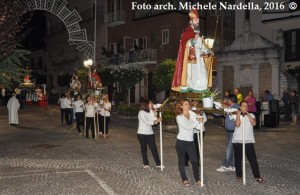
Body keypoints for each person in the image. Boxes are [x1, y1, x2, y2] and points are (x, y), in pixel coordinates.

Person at [171, 9, 211, 92]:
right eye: (196, 21)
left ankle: (202, 88)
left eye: (198, 21)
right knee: (191, 74)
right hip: (190, 60)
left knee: (203, 74)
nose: (197, 22)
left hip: (199, 59)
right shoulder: (186, 33)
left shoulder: (198, 35)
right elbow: (185, 45)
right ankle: (189, 87)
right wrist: (193, 40)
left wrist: (208, 51)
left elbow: (202, 46)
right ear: (191, 22)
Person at [233, 101, 265, 183]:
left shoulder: (252, 115)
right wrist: (238, 115)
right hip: (238, 139)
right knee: (238, 159)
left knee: (253, 159)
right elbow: (237, 125)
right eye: (243, 106)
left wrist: (248, 115)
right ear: (240, 107)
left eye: (246, 106)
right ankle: (239, 175)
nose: (245, 107)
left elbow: (254, 123)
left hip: (248, 140)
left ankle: (257, 176)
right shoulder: (235, 115)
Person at [175, 99, 202, 187]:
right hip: (181, 141)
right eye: (185, 104)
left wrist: (200, 121)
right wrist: (197, 121)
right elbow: (187, 127)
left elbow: (197, 127)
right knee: (182, 161)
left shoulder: (192, 114)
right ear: (181, 106)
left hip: (190, 141)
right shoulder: (179, 117)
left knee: (194, 161)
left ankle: (197, 178)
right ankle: (184, 179)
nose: (188, 105)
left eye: (188, 104)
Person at [137, 99, 163, 169]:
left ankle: (158, 163)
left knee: (154, 148)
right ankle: (146, 163)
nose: (152, 104)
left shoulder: (150, 111)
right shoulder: (141, 112)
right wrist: (156, 120)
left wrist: (155, 114)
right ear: (146, 104)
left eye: (151, 103)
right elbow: (146, 121)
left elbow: (155, 121)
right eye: (150, 103)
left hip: (150, 133)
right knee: (144, 148)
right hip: (142, 133)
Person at [217, 94, 239, 172]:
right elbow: (218, 113)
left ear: (230, 100)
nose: (226, 101)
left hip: (234, 132)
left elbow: (232, 112)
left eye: (227, 100)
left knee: (228, 150)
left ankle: (225, 165)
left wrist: (224, 108)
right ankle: (232, 165)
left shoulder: (236, 107)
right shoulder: (229, 108)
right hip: (229, 132)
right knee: (231, 150)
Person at [185, 100, 207, 166]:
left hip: (200, 131)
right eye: (193, 101)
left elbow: (205, 119)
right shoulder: (189, 110)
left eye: (196, 101)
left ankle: (196, 161)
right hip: (192, 131)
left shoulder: (201, 110)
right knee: (189, 146)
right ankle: (186, 160)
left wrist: (200, 118)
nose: (195, 103)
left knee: (198, 147)